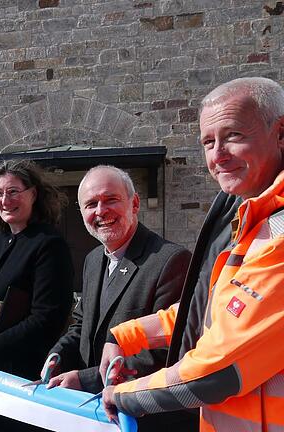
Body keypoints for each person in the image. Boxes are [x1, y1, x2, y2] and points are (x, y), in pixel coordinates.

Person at [100, 77, 284, 431]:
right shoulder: (245, 216)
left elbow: (216, 373)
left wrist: (123, 396)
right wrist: (123, 336)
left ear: (280, 133)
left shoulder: (275, 231)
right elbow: (209, 312)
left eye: (233, 136)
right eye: (207, 142)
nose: (217, 155)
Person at [46, 166, 193, 431]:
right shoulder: (93, 260)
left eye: (110, 199)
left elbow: (166, 352)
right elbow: (82, 324)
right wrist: (58, 354)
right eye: (91, 204)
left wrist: (85, 379)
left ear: (134, 203)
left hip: (147, 419)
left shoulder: (171, 260)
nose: (101, 211)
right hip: (95, 415)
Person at [0, 161, 73, 432]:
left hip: (23, 377)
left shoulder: (48, 244)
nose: (5, 200)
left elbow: (47, 318)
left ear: (34, 194)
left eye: (13, 192)